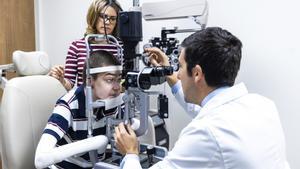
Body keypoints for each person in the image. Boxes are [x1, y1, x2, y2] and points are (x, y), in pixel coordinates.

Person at [114, 27, 290, 169]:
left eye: (180, 67)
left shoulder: (205, 132)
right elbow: (203, 110)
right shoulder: (262, 104)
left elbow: (209, 126)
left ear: (197, 73)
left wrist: (130, 153)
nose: (179, 74)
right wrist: (170, 75)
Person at [35, 50, 123, 169]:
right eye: (109, 80)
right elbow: (40, 159)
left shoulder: (112, 101)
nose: (117, 87)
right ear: (89, 80)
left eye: (118, 80)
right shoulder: (68, 106)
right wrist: (98, 141)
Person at [48, 0, 123, 91]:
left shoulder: (120, 46)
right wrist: (61, 79)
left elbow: (127, 80)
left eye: (112, 18)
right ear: (93, 17)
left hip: (114, 101)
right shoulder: (77, 46)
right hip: (86, 102)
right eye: (103, 16)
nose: (107, 22)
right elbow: (69, 84)